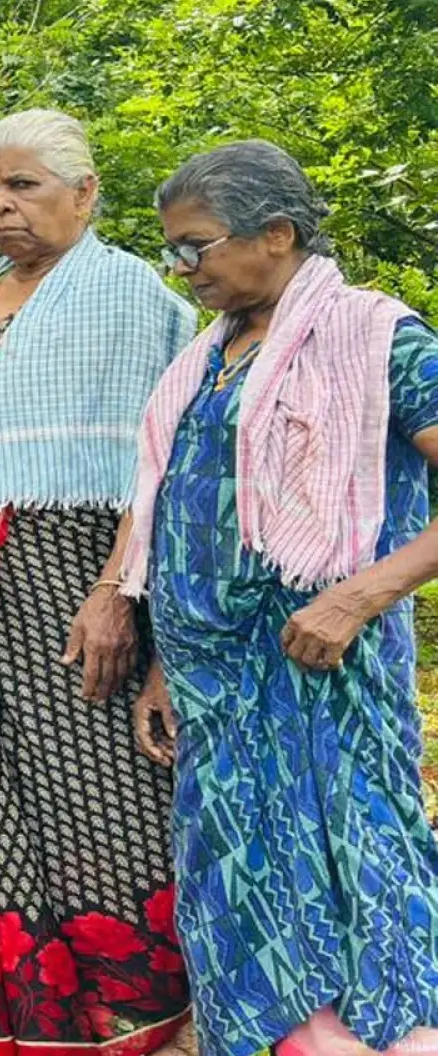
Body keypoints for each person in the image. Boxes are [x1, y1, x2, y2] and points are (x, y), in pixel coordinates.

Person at [116, 140, 438, 1056]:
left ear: (278, 235)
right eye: (171, 250)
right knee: (238, 880)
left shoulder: (376, 338)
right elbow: (172, 509)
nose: (181, 268)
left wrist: (360, 595)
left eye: (196, 246)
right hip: (214, 692)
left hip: (320, 673)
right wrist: (164, 666)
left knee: (352, 865)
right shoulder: (206, 357)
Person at [0, 111, 196, 1053]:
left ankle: (138, 1017)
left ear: (84, 192)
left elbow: (156, 466)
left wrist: (117, 591)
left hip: (70, 582)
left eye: (22, 185)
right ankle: (26, 1018)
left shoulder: (126, 296)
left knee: (97, 795)